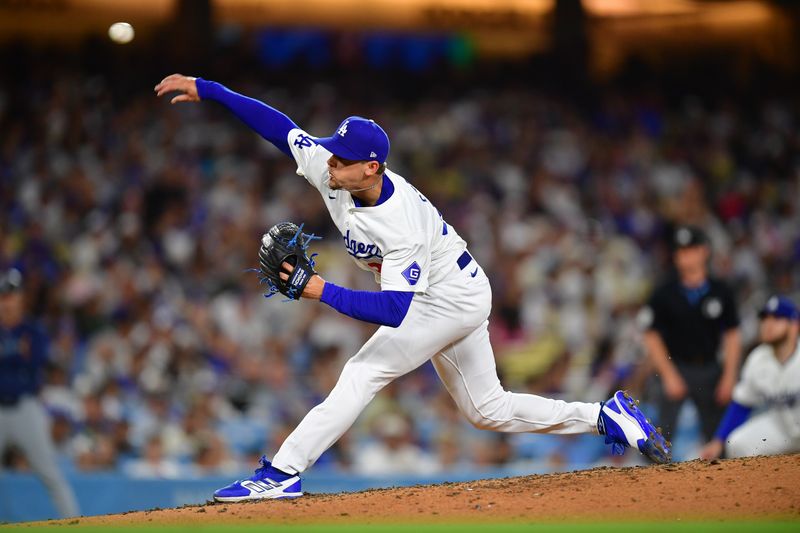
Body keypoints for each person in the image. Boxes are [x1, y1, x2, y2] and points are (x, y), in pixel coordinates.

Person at [154, 74, 671, 502]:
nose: (328, 163)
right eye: (331, 155)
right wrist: (211, 90)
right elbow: (281, 129)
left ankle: (283, 471)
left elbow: (397, 311)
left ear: (371, 168)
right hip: (453, 291)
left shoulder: (399, 222)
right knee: (485, 410)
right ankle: (605, 416)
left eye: (341, 159)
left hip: (446, 299)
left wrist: (320, 290)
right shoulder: (336, 172)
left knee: (362, 371)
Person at [641, 225, 742, 443]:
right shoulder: (663, 292)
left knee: (718, 437)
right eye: (679, 251)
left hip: (710, 367)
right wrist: (668, 375)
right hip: (675, 365)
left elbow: (733, 335)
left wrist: (729, 376)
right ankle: (653, 476)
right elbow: (651, 335)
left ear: (704, 250)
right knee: (659, 438)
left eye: (690, 249)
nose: (684, 256)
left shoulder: (721, 291)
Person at [0, 268, 79, 517]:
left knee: (51, 475)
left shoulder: (33, 331)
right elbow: (20, 363)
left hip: (26, 409)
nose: (7, 301)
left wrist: (10, 357)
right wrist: (16, 355)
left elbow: (34, 365)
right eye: (3, 296)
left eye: (11, 295)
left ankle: (78, 526)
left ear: (21, 298)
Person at [700, 296, 800, 459]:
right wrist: (718, 441)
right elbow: (741, 405)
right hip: (782, 427)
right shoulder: (757, 359)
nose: (768, 324)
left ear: (794, 325)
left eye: (777, 318)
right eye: (765, 318)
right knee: (737, 443)